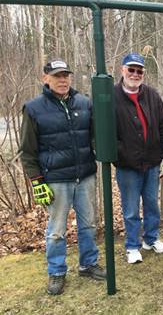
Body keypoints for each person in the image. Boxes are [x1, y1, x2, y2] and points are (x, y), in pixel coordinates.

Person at [20, 59, 106, 295]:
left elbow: (95, 138)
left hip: (85, 175)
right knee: (57, 230)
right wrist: (37, 181)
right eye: (57, 76)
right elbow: (27, 151)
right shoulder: (34, 108)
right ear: (45, 78)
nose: (62, 80)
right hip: (56, 179)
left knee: (88, 224)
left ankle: (88, 264)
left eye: (66, 75)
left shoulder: (84, 102)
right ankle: (57, 272)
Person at [114, 53, 163, 264]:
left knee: (151, 204)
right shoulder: (111, 96)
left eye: (139, 70)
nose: (135, 74)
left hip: (152, 162)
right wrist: (121, 155)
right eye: (131, 69)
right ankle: (132, 246)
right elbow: (104, 134)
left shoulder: (151, 95)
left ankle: (151, 238)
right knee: (131, 209)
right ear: (122, 70)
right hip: (127, 165)